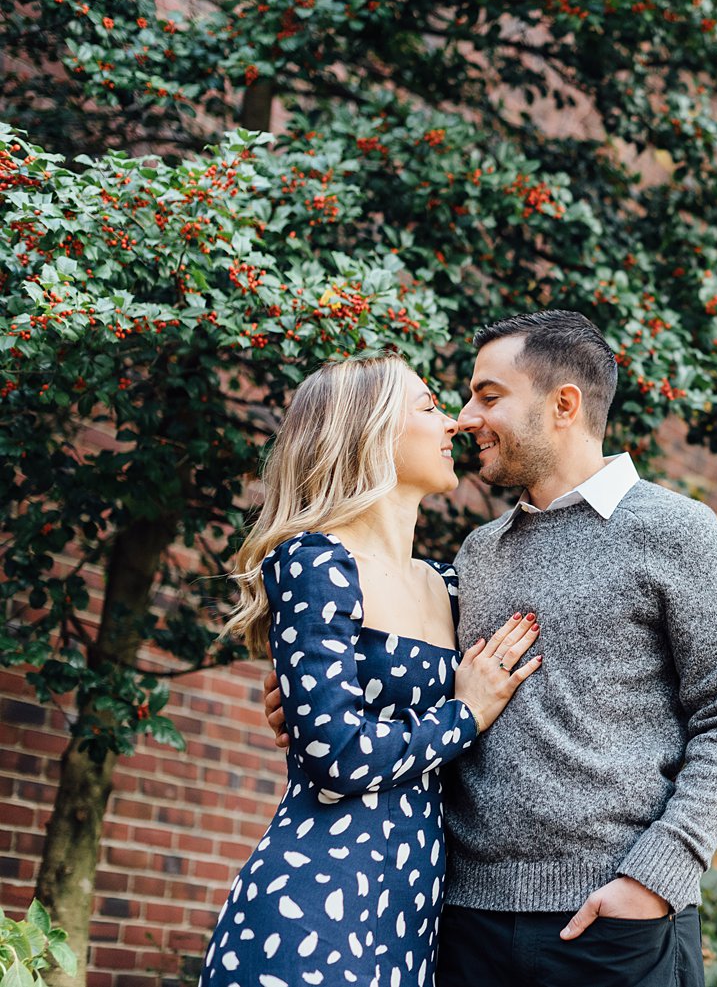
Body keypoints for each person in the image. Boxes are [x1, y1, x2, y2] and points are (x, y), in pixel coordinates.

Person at [265, 310, 717, 986]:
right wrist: (310, 701)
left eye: (488, 394)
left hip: (614, 923)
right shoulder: (474, 558)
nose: (466, 416)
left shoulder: (679, 532)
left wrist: (654, 880)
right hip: (464, 924)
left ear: (563, 404)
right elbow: (406, 683)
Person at [205, 353, 541, 987]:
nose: (454, 425)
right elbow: (337, 757)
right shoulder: (315, 563)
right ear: (372, 431)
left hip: (413, 918)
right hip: (313, 907)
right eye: (429, 407)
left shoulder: (449, 585)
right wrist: (463, 714)